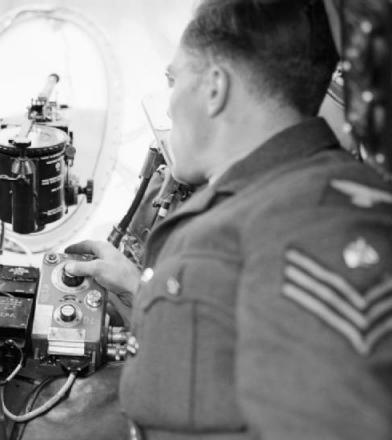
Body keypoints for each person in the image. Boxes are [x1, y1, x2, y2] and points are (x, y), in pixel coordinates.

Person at [65, 0, 392, 438]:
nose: (168, 106)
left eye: (173, 80)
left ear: (215, 87)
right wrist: (139, 285)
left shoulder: (317, 227)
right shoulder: (270, 198)